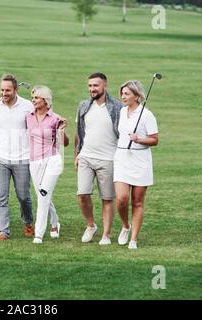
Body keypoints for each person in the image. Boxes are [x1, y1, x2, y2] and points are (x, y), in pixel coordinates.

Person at [0, 74, 56, 240]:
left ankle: (28, 222)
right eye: (2, 90)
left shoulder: (28, 106)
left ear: (16, 90)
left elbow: (42, 119)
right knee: (1, 196)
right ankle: (3, 231)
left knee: (23, 196)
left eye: (7, 90)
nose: (4, 93)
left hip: (23, 158)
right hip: (0, 158)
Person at [75, 72, 124, 245]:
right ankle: (91, 225)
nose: (92, 89)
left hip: (108, 159)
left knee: (107, 198)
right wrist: (77, 154)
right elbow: (79, 133)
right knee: (82, 195)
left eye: (95, 85)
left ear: (105, 85)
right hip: (86, 157)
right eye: (89, 86)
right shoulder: (83, 106)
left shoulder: (118, 107)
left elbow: (123, 134)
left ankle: (106, 235)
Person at [114, 80, 159, 249]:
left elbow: (155, 139)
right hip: (122, 158)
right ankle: (126, 226)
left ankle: (133, 239)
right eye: (122, 93)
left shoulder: (147, 115)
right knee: (121, 199)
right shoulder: (121, 111)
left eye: (127, 94)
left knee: (138, 201)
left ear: (137, 96)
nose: (123, 96)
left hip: (140, 161)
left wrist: (139, 139)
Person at [26, 85, 69, 244]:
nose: (33, 100)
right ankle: (55, 221)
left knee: (43, 193)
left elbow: (65, 143)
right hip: (34, 161)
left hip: (52, 160)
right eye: (32, 98)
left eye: (36, 98)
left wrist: (62, 130)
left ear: (45, 100)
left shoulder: (55, 118)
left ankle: (39, 233)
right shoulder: (28, 117)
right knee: (42, 195)